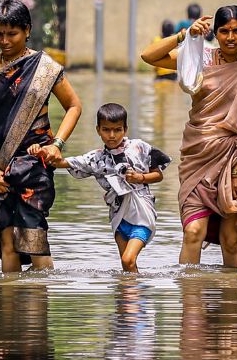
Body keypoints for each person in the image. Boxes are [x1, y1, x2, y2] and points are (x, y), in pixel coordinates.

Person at [141, 5, 237, 269]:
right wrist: (184, 35)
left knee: (231, 239)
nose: (230, 37)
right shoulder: (199, 59)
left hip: (236, 160)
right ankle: (190, 300)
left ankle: (232, 303)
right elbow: (148, 56)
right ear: (215, 33)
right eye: (224, 31)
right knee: (193, 232)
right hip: (198, 157)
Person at [0, 0, 82, 272]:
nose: (4, 40)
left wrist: (57, 144)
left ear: (27, 30)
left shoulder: (45, 68)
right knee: (8, 244)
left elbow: (74, 106)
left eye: (12, 34)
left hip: (35, 165)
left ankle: (36, 311)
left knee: (34, 240)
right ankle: (9, 311)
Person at [35, 103, 171, 272]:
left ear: (125, 129)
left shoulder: (139, 148)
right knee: (126, 264)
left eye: (117, 130)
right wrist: (42, 153)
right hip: (118, 216)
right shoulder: (97, 158)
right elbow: (66, 162)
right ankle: (132, 296)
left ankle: (133, 296)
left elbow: (158, 175)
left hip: (142, 214)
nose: (112, 135)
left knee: (128, 259)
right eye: (106, 130)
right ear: (98, 130)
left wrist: (140, 177)